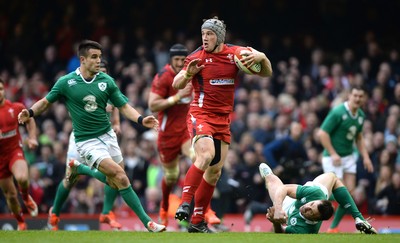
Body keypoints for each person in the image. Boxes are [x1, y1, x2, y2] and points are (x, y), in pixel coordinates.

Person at [18, 40, 165, 232]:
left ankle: (86, 179)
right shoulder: (66, 82)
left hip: (108, 136)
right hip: (86, 141)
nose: (98, 61)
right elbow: (45, 103)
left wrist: (140, 119)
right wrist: (29, 112)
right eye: (94, 57)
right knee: (118, 176)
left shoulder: (106, 81)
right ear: (83, 60)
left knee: (117, 180)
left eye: (100, 57)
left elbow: (122, 106)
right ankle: (148, 223)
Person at [172, 16, 273, 233]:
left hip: (223, 119)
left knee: (215, 172)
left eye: (209, 34)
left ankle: (197, 222)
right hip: (201, 114)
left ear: (219, 36)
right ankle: (185, 203)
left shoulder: (235, 55)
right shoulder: (196, 57)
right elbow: (176, 82)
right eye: (203, 34)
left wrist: (262, 57)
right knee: (206, 154)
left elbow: (267, 72)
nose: (205, 38)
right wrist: (188, 73)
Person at [148, 44, 222, 229]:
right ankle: (164, 208)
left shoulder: (194, 70)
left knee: (199, 158)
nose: (181, 63)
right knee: (172, 176)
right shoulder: (163, 77)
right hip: (167, 135)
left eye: (183, 59)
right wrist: (176, 97)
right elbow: (153, 105)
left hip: (188, 129)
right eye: (177, 60)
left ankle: (206, 210)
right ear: (170, 60)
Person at [47, 59, 124, 230]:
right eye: (97, 70)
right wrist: (100, 108)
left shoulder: (108, 85)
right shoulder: (81, 87)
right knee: (70, 179)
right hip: (82, 138)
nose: (99, 73)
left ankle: (106, 212)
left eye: (103, 71)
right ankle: (55, 213)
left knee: (116, 174)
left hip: (103, 137)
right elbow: (77, 107)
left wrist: (117, 123)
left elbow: (117, 105)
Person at [259, 162, 377, 234]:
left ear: (317, 219)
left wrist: (275, 223)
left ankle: (269, 177)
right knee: (332, 177)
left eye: (310, 212)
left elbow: (281, 232)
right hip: (301, 198)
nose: (306, 208)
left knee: (271, 181)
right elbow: (285, 189)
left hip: (287, 210)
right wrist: (277, 209)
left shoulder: (304, 229)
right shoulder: (315, 195)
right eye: (311, 205)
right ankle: (358, 218)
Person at [318, 85, 374, 233]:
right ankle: (305, 211)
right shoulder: (338, 112)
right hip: (332, 158)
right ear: (349, 96)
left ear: (364, 99)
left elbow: (359, 137)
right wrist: (333, 153)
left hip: (348, 157)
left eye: (360, 96)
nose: (357, 99)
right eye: (355, 95)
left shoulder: (361, 115)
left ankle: (333, 227)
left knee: (349, 192)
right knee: (330, 195)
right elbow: (322, 133)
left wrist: (366, 157)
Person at [0, 78, 39, 230]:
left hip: (14, 151)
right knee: (10, 196)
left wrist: (32, 137)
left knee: (22, 178)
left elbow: (29, 120)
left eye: (1, 88)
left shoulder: (15, 108)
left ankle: (26, 197)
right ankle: (21, 222)